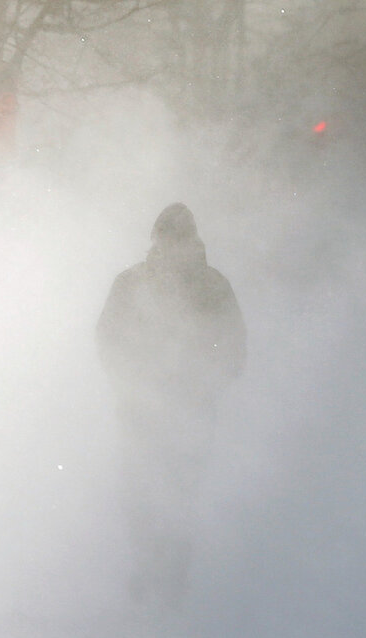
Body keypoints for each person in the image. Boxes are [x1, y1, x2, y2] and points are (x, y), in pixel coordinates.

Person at [96, 202, 246, 605]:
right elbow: (107, 339)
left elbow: (233, 348)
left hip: (190, 412)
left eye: (178, 238)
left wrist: (205, 386)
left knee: (178, 496)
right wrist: (129, 383)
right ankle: (150, 574)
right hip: (141, 411)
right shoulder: (130, 284)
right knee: (141, 496)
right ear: (156, 240)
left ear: (191, 240)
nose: (170, 246)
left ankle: (171, 584)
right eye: (165, 238)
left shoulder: (213, 287)